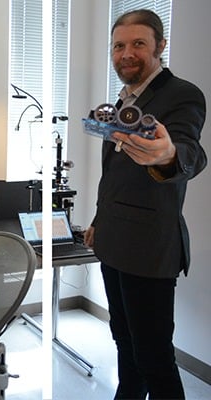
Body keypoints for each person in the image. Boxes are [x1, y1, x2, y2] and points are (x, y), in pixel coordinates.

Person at [83, 9, 206, 400]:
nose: (126, 53)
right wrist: (99, 221)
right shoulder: (124, 100)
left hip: (150, 249)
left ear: (160, 47)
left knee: (154, 357)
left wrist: (168, 155)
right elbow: (115, 174)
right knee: (124, 343)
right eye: (119, 45)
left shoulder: (182, 94)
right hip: (113, 242)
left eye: (138, 43)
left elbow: (188, 150)